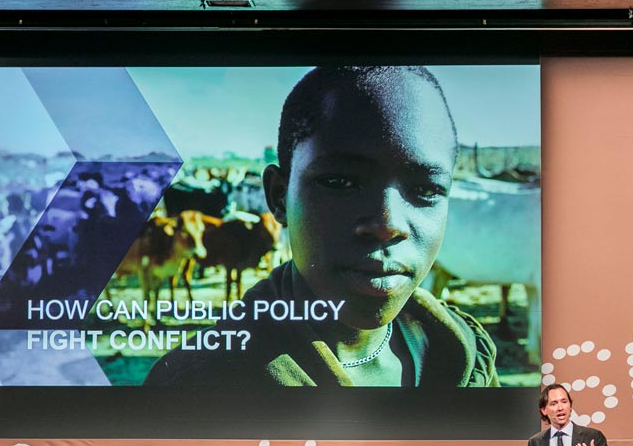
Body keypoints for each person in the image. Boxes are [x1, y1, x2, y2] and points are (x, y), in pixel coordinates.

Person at [145, 65, 498, 389]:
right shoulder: (195, 389)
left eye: (426, 190)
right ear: (279, 197)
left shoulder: (467, 354)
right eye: (339, 182)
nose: (387, 224)